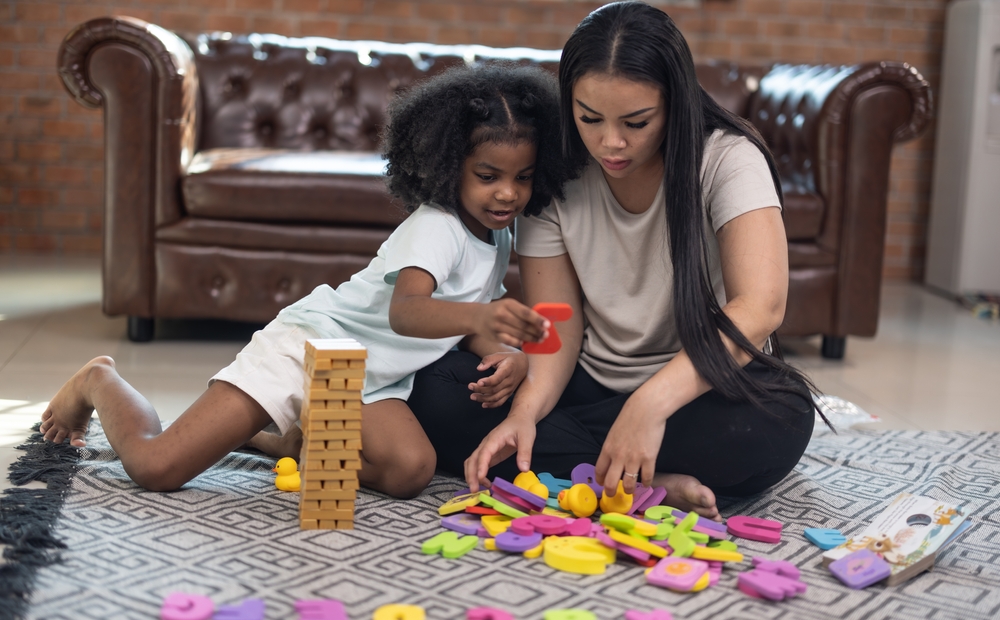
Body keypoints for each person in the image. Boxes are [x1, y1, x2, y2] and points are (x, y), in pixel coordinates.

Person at [38, 63, 568, 498]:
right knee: (158, 468)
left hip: (372, 380)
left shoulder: (497, 234)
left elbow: (475, 311)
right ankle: (98, 380)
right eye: (488, 176)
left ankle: (285, 438)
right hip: (312, 346)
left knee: (410, 471)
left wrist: (507, 352)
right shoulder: (437, 226)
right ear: (449, 163)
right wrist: (482, 317)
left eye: (522, 177)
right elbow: (406, 311)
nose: (508, 194)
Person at [408, 1, 818, 521]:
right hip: (585, 384)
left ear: (676, 103)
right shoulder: (554, 171)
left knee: (779, 420)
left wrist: (648, 406)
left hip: (692, 389)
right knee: (433, 386)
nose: (611, 143)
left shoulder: (728, 159)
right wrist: (527, 412)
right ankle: (642, 483)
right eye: (589, 118)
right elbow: (557, 321)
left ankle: (576, 469)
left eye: (636, 121)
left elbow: (761, 307)